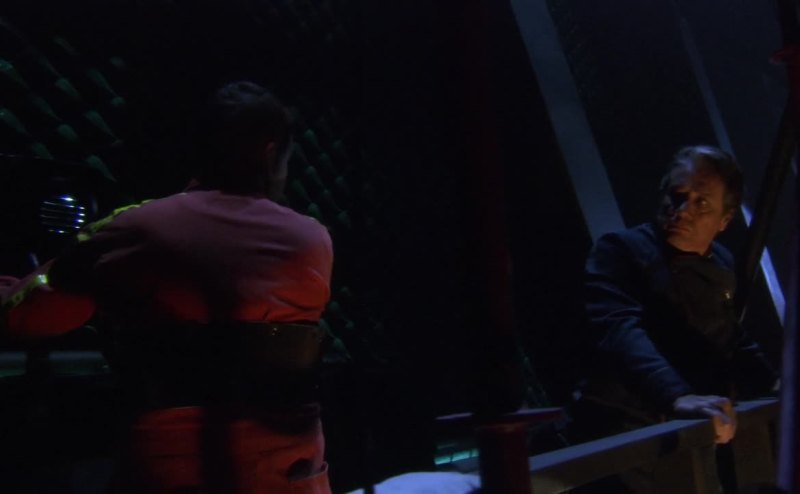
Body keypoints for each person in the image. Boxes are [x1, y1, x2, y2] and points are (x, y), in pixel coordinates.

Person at [0, 81, 334, 493]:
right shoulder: (313, 239)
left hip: (171, 474)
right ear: (271, 152)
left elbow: (26, 318)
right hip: (293, 478)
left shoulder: (137, 228)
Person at [572, 145, 778, 447]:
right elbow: (620, 331)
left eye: (701, 203)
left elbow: (728, 334)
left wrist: (772, 382)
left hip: (684, 428)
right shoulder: (619, 250)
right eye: (676, 195)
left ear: (724, 219)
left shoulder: (721, 263)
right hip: (620, 425)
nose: (681, 211)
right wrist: (677, 396)